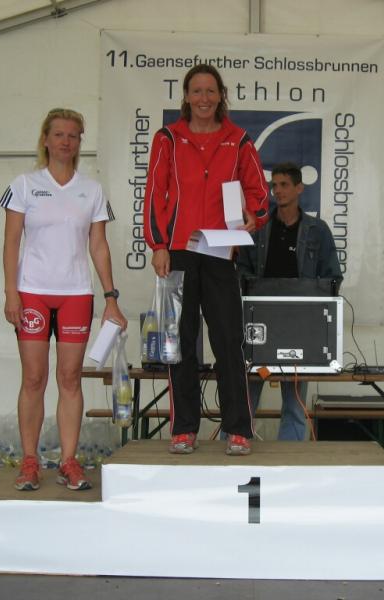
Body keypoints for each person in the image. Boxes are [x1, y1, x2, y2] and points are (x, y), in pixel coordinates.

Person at [143, 64, 269, 456]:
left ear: (220, 95)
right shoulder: (167, 138)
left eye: (210, 91)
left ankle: (238, 429)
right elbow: (154, 193)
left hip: (220, 249)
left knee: (228, 340)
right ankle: (184, 428)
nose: (203, 98)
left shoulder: (239, 139)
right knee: (179, 341)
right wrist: (158, 245)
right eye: (196, 91)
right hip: (178, 251)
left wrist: (254, 216)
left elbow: (258, 193)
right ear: (186, 96)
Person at [0, 108, 127, 491]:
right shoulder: (24, 185)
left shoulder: (92, 190)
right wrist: (11, 292)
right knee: (34, 378)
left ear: (79, 142)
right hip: (33, 293)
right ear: (45, 139)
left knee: (70, 379)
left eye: (73, 136)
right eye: (59, 134)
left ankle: (69, 461)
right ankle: (29, 461)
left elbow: (98, 245)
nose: (66, 141)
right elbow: (11, 242)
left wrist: (111, 297)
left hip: (76, 294)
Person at [237, 162, 342, 440]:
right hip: (260, 323)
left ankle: (290, 455)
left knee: (295, 401)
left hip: (301, 326)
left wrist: (314, 311)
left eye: (284, 185)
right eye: (274, 185)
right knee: (247, 393)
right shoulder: (259, 228)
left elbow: (332, 277)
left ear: (299, 188)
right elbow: (242, 270)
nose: (278, 191)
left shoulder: (318, 230)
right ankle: (238, 443)